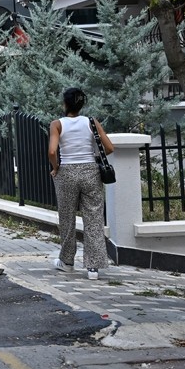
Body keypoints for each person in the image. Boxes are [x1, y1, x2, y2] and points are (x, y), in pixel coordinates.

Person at [47, 86, 114, 280]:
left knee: (66, 218)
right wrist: (91, 156)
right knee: (93, 218)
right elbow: (109, 147)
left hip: (66, 172)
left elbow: (52, 152)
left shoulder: (57, 124)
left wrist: (56, 167)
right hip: (90, 172)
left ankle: (67, 262)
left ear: (65, 104)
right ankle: (93, 267)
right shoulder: (91, 122)